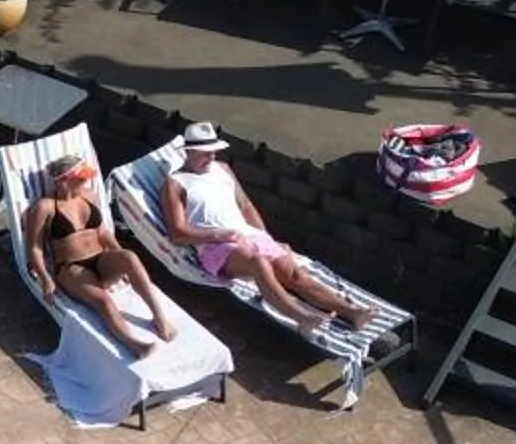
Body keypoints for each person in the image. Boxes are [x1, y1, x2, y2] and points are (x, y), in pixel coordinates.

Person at [158, 122, 380, 336]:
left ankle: (352, 312)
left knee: (293, 273)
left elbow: (246, 207)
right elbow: (177, 234)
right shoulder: (175, 184)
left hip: (248, 235)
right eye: (205, 153)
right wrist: (219, 235)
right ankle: (302, 318)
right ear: (188, 152)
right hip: (215, 246)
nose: (211, 157)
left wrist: (267, 239)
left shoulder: (222, 169)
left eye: (214, 152)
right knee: (259, 263)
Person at [22, 154, 175, 359]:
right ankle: (134, 345)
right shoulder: (45, 207)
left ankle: (159, 316)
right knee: (103, 300)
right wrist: (46, 280)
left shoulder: (89, 195)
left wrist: (119, 255)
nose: (87, 181)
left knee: (129, 256)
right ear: (64, 181)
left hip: (101, 259)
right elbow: (34, 248)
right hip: (71, 268)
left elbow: (102, 233)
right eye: (82, 178)